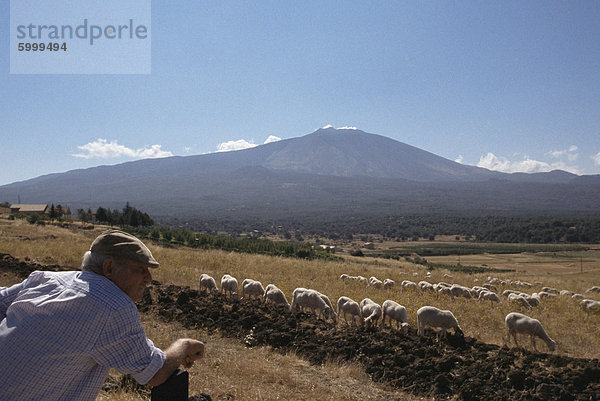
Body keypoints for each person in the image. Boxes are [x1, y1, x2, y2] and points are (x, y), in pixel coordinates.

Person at [0, 229, 205, 401]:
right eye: (141, 270)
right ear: (109, 267)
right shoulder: (112, 307)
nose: (149, 279)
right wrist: (183, 345)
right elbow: (155, 373)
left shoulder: (48, 279)